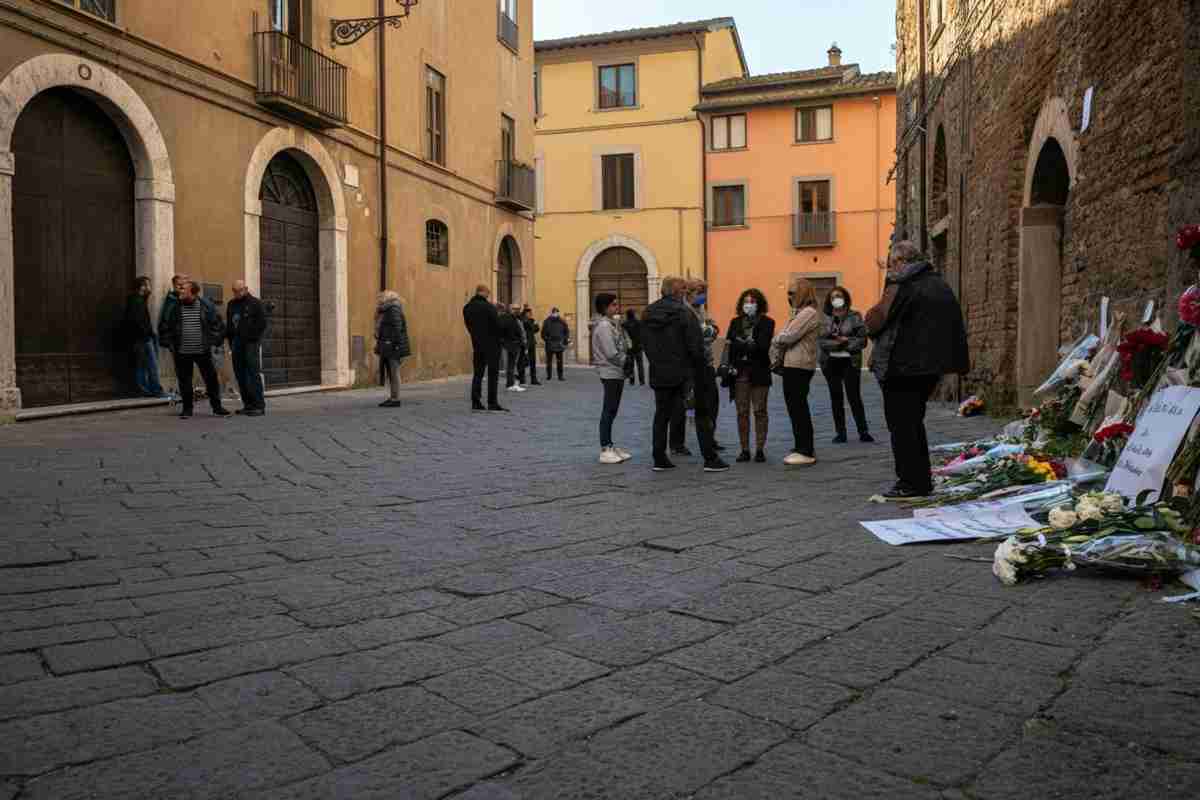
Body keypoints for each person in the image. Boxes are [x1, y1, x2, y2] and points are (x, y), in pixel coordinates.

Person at [866, 240, 969, 498]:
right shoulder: (938, 283)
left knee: (902, 426)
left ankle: (910, 482)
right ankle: (919, 479)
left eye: (892, 264)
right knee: (913, 423)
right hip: (928, 369)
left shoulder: (902, 285)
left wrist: (888, 285)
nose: (890, 269)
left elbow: (875, 321)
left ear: (901, 262)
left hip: (902, 369)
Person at [643, 276, 729, 472]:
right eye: (684, 290)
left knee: (662, 415)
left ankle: (659, 457)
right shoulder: (684, 313)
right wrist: (699, 371)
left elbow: (645, 344)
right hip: (686, 373)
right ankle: (710, 458)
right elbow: (695, 346)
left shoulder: (648, 313)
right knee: (701, 413)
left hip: (660, 371)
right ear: (679, 292)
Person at [158, 281, 229, 419]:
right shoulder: (175, 306)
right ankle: (187, 409)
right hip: (182, 351)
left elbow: (217, 324)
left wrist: (214, 342)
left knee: (211, 379)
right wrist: (170, 344)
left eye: (184, 289)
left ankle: (217, 408)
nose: (180, 291)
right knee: (184, 381)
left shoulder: (206, 305)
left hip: (202, 350)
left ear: (193, 292)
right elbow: (166, 325)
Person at [772, 277, 822, 466]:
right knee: (795, 407)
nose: (789, 296)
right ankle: (801, 445)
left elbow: (789, 336)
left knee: (798, 407)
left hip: (799, 365)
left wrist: (777, 339)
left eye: (792, 292)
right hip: (793, 365)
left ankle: (805, 449)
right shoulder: (799, 313)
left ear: (802, 293)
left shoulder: (808, 313)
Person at [818, 286, 874, 444]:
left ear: (845, 298)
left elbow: (862, 340)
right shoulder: (824, 318)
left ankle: (863, 431)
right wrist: (837, 344)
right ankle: (840, 433)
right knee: (836, 397)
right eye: (834, 296)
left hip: (850, 361)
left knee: (854, 396)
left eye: (839, 295)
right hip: (830, 362)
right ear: (829, 300)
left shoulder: (855, 316)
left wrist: (846, 342)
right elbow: (821, 341)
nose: (837, 298)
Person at [725, 288, 775, 463]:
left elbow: (762, 346)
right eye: (746, 301)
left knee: (760, 410)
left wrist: (743, 343)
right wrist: (746, 344)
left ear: (759, 304)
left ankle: (760, 449)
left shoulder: (768, 323)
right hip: (740, 373)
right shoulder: (735, 322)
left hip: (760, 372)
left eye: (753, 301)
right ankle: (744, 449)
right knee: (742, 412)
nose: (749, 305)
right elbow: (731, 344)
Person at [591, 293, 633, 465]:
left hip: (616, 372)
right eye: (614, 305)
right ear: (605, 307)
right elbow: (611, 352)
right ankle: (605, 448)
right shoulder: (603, 327)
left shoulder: (611, 325)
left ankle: (609, 444)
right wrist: (626, 362)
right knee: (609, 410)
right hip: (610, 372)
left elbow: (624, 344)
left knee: (612, 409)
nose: (617, 308)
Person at [226, 280, 268, 416]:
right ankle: (248, 405)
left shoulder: (255, 303)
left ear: (246, 289)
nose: (237, 293)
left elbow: (262, 324)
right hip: (236, 343)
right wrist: (230, 341)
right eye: (234, 291)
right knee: (240, 375)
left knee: (252, 373)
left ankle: (259, 406)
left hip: (251, 343)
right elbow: (229, 325)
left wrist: (252, 338)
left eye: (239, 290)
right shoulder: (231, 304)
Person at [463, 284, 506, 412]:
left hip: (477, 344)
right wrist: (499, 313)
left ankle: (475, 402)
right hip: (492, 345)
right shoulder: (489, 307)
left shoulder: (467, 308)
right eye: (488, 293)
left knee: (478, 373)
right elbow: (498, 326)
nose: (489, 296)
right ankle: (492, 403)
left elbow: (469, 326)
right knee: (493, 374)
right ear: (484, 292)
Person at [124, 276, 166, 398]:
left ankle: (143, 390)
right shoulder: (137, 302)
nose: (150, 288)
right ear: (142, 287)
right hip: (143, 339)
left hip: (140, 338)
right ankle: (156, 390)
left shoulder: (137, 300)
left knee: (141, 365)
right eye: (148, 285)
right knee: (151, 365)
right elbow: (138, 322)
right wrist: (148, 335)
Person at [374, 290, 411, 408]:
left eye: (381, 297)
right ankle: (393, 397)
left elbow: (397, 328)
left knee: (394, 373)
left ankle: (395, 398)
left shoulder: (393, 309)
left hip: (393, 346)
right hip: (390, 345)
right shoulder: (387, 310)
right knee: (392, 373)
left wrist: (396, 344)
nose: (379, 299)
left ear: (387, 298)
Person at [499, 303, 526, 393]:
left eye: (518, 308)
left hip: (515, 345)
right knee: (510, 366)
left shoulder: (516, 318)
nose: (516, 310)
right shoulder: (505, 318)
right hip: (508, 345)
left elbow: (520, 331)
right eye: (514, 308)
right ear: (509, 309)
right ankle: (510, 384)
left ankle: (511, 383)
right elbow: (502, 331)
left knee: (512, 365)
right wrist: (504, 341)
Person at [542, 307, 570, 381]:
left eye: (556, 312)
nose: (555, 314)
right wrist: (547, 340)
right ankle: (549, 376)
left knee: (560, 361)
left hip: (559, 344)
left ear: (558, 313)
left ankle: (560, 376)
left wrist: (565, 340)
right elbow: (543, 333)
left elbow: (566, 331)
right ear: (551, 313)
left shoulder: (562, 321)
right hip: (550, 344)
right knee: (549, 361)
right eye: (554, 312)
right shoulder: (546, 321)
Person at [623, 308, 645, 386]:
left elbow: (623, 336)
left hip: (630, 348)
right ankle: (642, 381)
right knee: (640, 365)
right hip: (639, 347)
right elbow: (642, 334)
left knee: (631, 365)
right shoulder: (639, 323)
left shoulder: (625, 324)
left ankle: (632, 381)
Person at [521, 307, 541, 386]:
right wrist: (534, 323)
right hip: (526, 344)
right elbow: (533, 328)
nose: (531, 315)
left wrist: (534, 324)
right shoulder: (524, 321)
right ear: (526, 313)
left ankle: (533, 379)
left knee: (532, 362)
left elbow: (536, 329)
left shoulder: (529, 321)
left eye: (531, 313)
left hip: (531, 343)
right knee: (524, 362)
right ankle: (522, 378)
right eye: (529, 313)